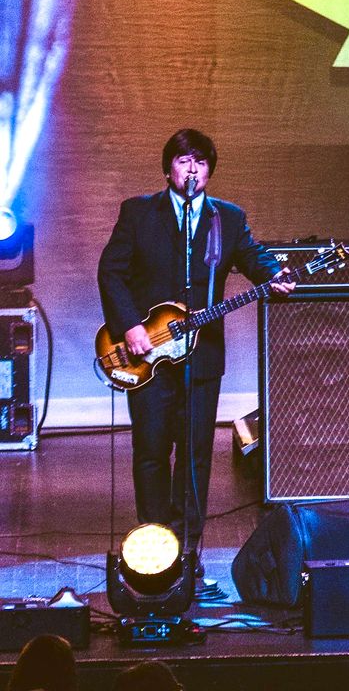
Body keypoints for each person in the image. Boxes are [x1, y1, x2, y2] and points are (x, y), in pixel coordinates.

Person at [97, 129, 292, 551]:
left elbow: (252, 255)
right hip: (147, 354)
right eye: (184, 160)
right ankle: (154, 547)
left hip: (202, 357)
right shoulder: (138, 212)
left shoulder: (228, 218)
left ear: (209, 171)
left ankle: (186, 549)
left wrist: (274, 274)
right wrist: (129, 326)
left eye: (200, 162)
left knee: (195, 455)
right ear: (168, 168)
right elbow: (111, 272)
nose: (192, 169)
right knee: (151, 450)